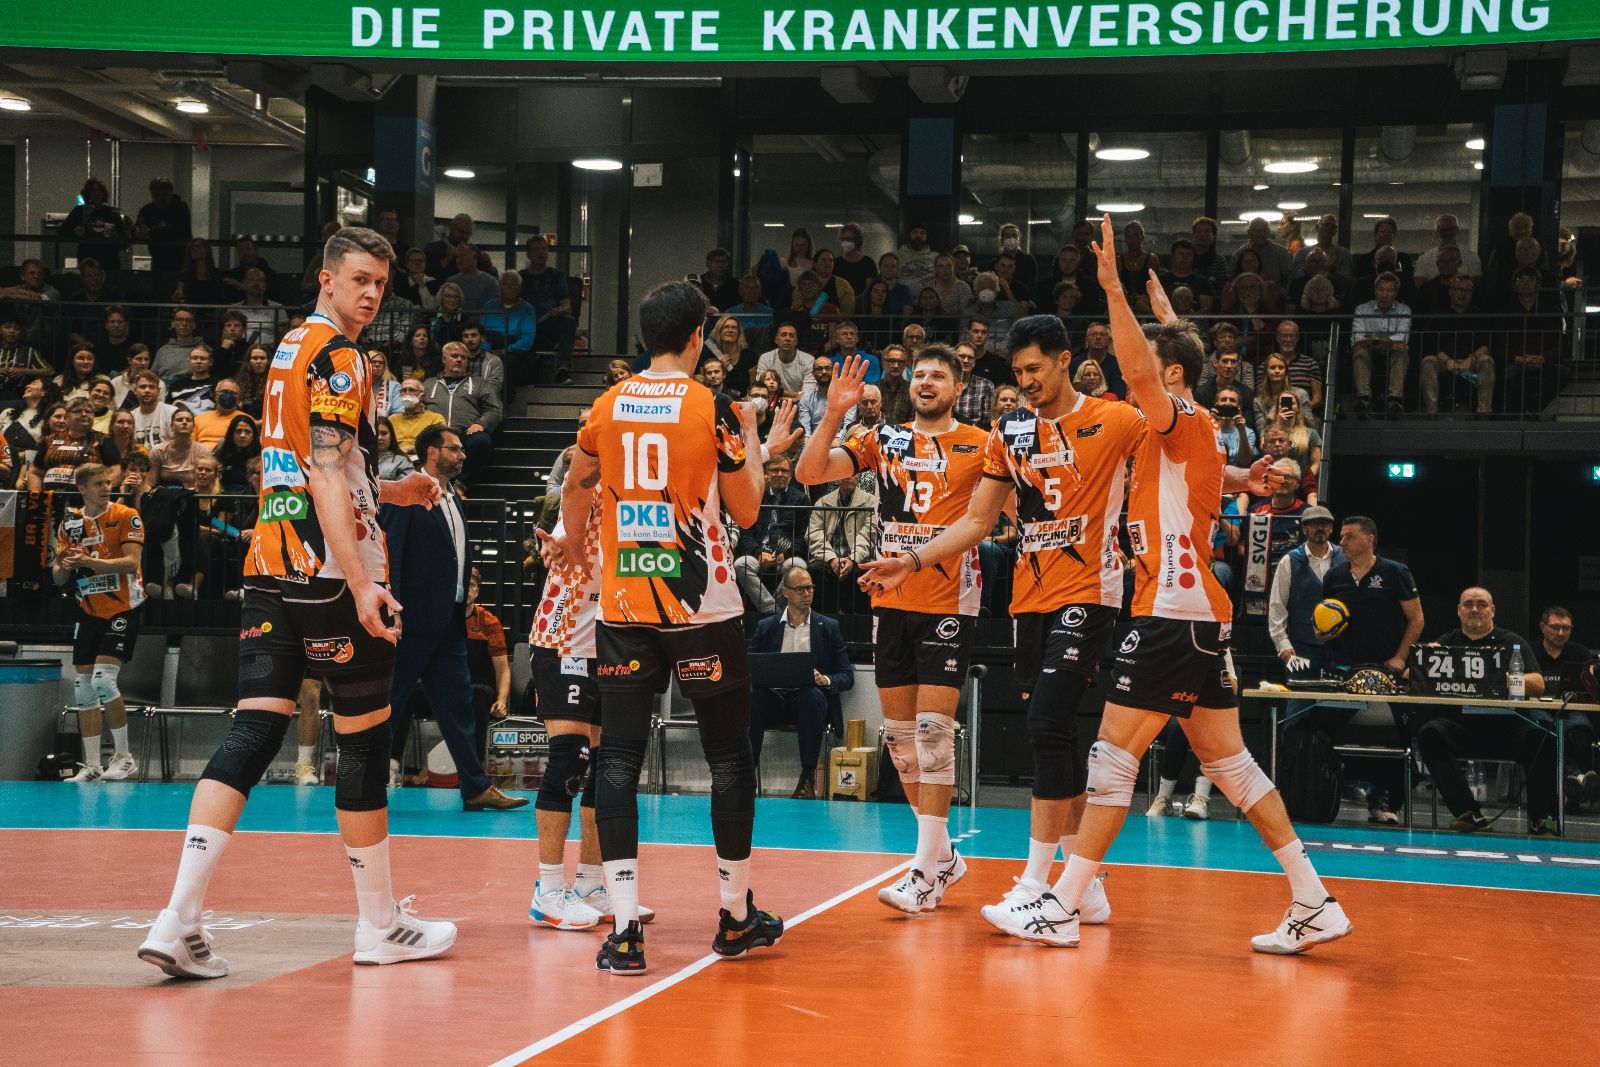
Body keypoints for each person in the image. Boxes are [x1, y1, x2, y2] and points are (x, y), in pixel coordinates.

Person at [976, 216, 1349, 954]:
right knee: (1231, 764)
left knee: (1112, 758)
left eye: (1146, 363)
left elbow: (1151, 373)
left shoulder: (1174, 416)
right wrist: (1168, 320)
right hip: (1197, 612)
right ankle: (1314, 900)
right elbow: (1175, 369)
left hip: (1172, 607)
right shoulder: (1188, 423)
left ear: (1169, 376)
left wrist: (1113, 290)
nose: (1128, 370)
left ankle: (1065, 903)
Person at [137, 225, 457, 980]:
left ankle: (177, 918)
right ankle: (378, 924)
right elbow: (325, 472)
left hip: (270, 561)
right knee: (365, 739)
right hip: (330, 569)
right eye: (359, 280)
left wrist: (390, 490)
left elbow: (316, 462)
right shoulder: (342, 358)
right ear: (326, 279)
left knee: (253, 730)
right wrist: (363, 583)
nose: (372, 294)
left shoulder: (288, 348)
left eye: (381, 283)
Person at [862, 311, 1150, 927]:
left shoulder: (1116, 418)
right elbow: (977, 520)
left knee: (1046, 725)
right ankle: (1086, 885)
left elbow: (1172, 446)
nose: (1026, 381)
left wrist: (1235, 477)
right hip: (1029, 599)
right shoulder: (1009, 431)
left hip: (1091, 590)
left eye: (1035, 369)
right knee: (1054, 736)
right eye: (1017, 373)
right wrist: (910, 561)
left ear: (1065, 361)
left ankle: (1037, 882)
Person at [548, 279, 782, 975]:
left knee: (617, 758)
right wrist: (752, 440)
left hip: (624, 606)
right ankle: (735, 917)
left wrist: (572, 541)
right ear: (697, 338)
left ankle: (624, 931)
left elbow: (577, 482)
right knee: (728, 759)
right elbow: (746, 510)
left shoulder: (608, 403)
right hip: (699, 605)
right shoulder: (714, 407)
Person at [797, 344, 988, 914]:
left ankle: (925, 872)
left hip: (949, 600)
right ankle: (943, 856)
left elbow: (991, 516)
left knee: (932, 735)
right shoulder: (884, 438)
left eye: (939, 376)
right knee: (901, 745)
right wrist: (835, 413)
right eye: (920, 374)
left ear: (958, 387)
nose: (926, 382)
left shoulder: (982, 443)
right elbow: (809, 472)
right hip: (891, 600)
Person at [381, 423, 525, 812]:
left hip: (449, 620)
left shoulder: (453, 497)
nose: (463, 455)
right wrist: (393, 608)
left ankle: (475, 787)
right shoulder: (406, 491)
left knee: (458, 704)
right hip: (412, 620)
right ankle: (361, 781)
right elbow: (392, 553)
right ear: (432, 453)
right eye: (455, 449)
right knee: (391, 702)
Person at [1412, 588, 1554, 834]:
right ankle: (1468, 813)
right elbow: (1410, 674)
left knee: (1543, 739)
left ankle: (1541, 819)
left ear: (1493, 610)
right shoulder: (1447, 642)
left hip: (1506, 725)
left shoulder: (1511, 642)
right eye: (1468, 604)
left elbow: (1539, 683)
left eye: (1481, 604)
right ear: (1459, 611)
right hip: (1459, 726)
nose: (1475, 609)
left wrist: (1500, 678)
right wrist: (1425, 661)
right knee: (1429, 733)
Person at [1318, 515, 1422, 821]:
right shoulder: (1334, 576)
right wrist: (1323, 633)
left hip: (1384, 669)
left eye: (1349, 536)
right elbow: (1325, 619)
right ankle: (1331, 790)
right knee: (1320, 728)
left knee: (1393, 734)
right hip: (1343, 668)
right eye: (1341, 536)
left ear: (1369, 539)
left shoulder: (1395, 572)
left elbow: (1417, 619)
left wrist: (1401, 657)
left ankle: (1384, 799)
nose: (1341, 542)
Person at [53, 463, 145, 782]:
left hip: (123, 606)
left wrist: (89, 561)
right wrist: (64, 565)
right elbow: (58, 574)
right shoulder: (71, 522)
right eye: (98, 484)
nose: (106, 488)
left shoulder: (126, 514)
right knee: (83, 689)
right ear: (82, 488)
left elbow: (131, 564)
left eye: (108, 483)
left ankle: (124, 758)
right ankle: (92, 765)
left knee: (104, 681)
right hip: (88, 608)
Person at [746, 564, 854, 799]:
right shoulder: (766, 627)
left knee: (809, 694)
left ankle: (807, 778)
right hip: (774, 699)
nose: (807, 594)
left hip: (808, 703)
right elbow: (749, 667)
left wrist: (824, 679)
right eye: (800, 589)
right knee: (756, 697)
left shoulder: (828, 627)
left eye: (810, 588)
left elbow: (847, 675)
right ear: (786, 592)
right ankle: (746, 776)